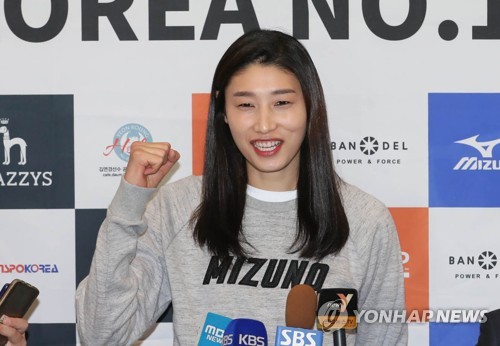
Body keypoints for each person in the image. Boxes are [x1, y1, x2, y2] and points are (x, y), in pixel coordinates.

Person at [76, 29, 407, 345]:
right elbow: (102, 335)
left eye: (282, 103)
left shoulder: (365, 219)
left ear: (309, 106)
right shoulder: (178, 207)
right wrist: (129, 204)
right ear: (223, 112)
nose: (264, 124)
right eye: (246, 105)